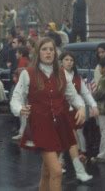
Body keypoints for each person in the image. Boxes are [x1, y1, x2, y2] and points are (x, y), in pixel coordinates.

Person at [10, 37, 85, 191]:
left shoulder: (62, 73)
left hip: (60, 125)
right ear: (38, 52)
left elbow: (73, 95)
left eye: (51, 49)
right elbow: (16, 98)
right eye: (44, 49)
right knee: (57, 171)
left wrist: (81, 107)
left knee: (47, 172)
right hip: (40, 126)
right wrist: (19, 109)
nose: (48, 52)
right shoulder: (28, 73)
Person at [59, 51, 97, 182]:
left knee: (73, 138)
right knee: (64, 139)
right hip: (59, 112)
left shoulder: (76, 77)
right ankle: (61, 163)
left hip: (73, 112)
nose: (69, 62)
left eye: (71, 60)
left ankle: (77, 162)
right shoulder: (56, 74)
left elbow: (85, 93)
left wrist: (93, 105)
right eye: (66, 60)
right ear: (61, 61)